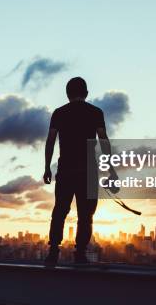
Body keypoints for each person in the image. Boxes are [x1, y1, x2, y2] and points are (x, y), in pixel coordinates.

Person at [43, 77, 112, 265]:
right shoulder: (96, 112)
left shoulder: (59, 113)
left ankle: (53, 251)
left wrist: (47, 167)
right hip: (88, 172)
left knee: (59, 211)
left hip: (65, 170)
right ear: (86, 93)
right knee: (86, 214)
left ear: (67, 94)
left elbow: (50, 140)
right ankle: (80, 253)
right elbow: (103, 139)